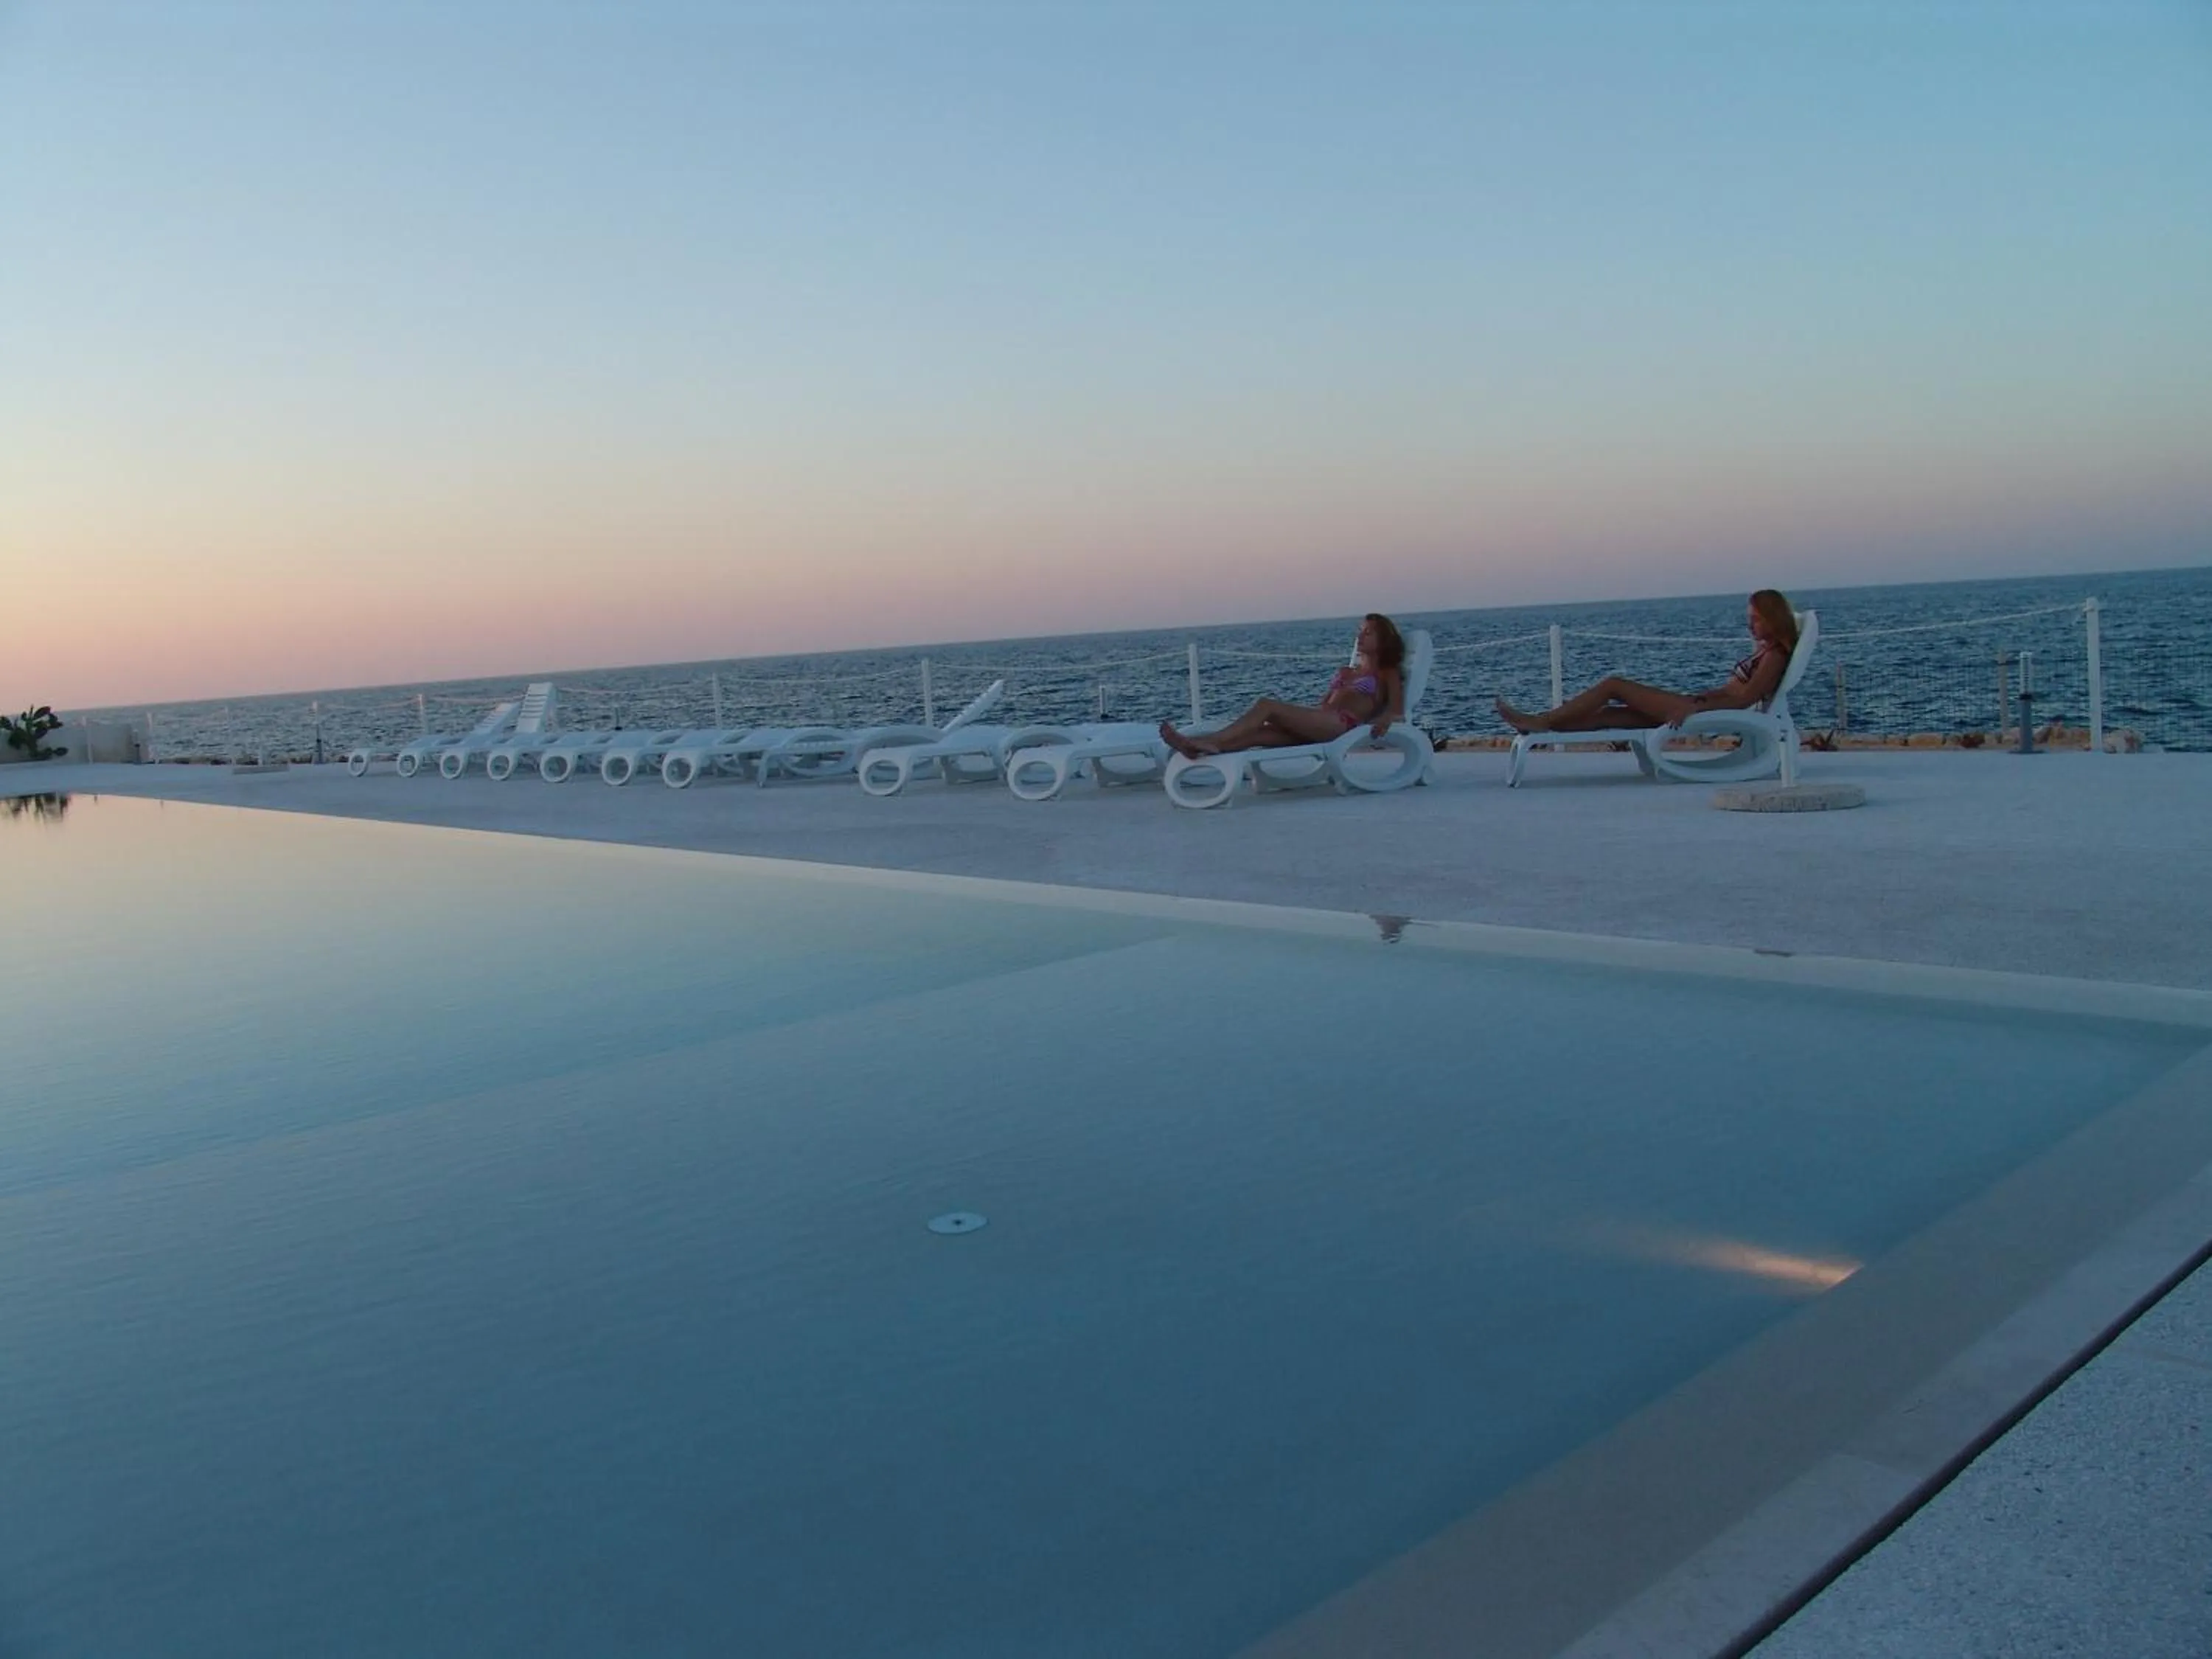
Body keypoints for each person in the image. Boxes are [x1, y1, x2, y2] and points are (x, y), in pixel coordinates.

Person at [1495, 591, 1799, 734]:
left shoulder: (1774, 657)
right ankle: (1542, 726)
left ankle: (1541, 720)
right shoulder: (1765, 652)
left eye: (1757, 620)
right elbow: (1732, 693)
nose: (1751, 627)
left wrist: (1693, 707)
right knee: (1610, 716)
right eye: (1750, 619)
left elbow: (1742, 699)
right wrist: (1698, 700)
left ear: (1774, 619)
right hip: (1698, 703)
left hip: (1697, 709)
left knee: (1614, 685)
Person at [1161, 613, 1408, 759]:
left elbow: (1396, 710)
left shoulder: (1386, 672)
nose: (1360, 636)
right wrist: (1301, 718)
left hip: (1340, 726)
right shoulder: (1347, 671)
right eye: (1360, 631)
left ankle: (1207, 741)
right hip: (1320, 722)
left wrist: (1384, 721)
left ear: (1383, 640)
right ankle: (1198, 748)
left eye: (1368, 633)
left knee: (1265, 705)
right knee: (1258, 733)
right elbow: (1325, 702)